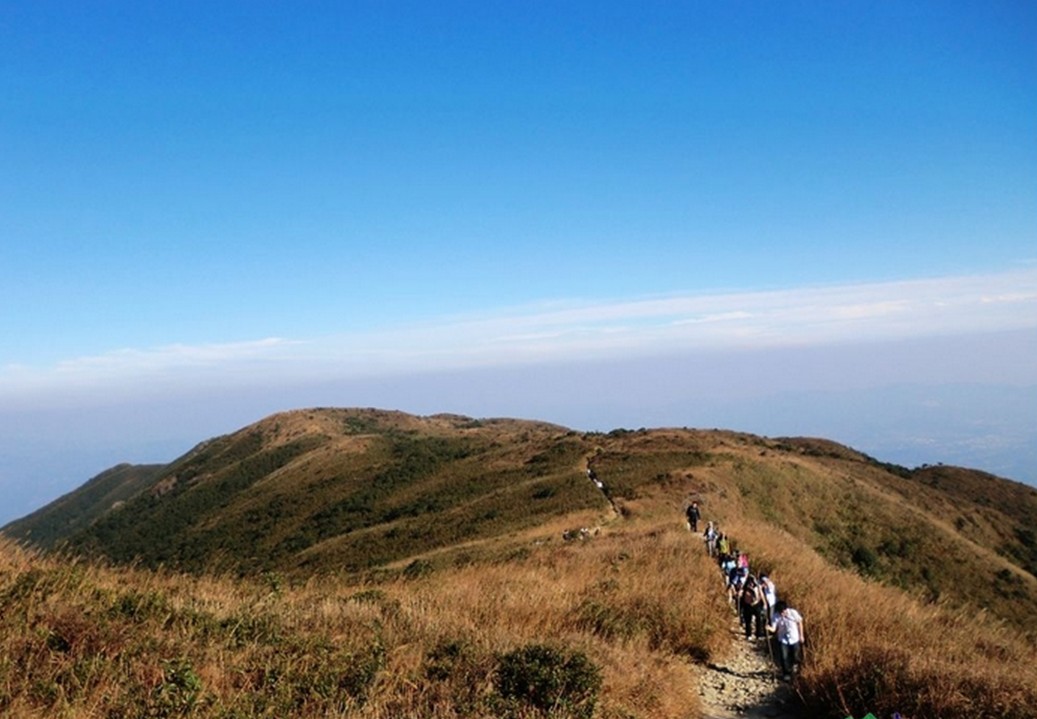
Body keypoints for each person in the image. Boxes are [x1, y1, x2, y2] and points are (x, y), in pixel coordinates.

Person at [767, 601, 805, 680]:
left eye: (783, 611)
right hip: (783, 639)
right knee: (784, 657)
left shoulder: (793, 613)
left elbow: (800, 622)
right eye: (780, 612)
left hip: (794, 638)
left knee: (795, 656)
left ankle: (796, 670)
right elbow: (774, 629)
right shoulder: (775, 616)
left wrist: (801, 635)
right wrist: (769, 628)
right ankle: (786, 673)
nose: (782, 614)